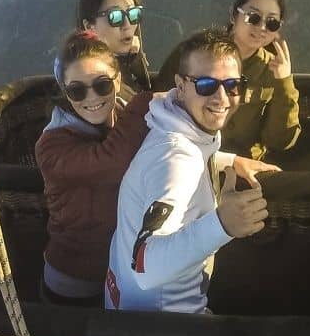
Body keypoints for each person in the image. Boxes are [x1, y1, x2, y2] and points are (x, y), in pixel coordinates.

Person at [106, 28, 280, 313]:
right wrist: (222, 224)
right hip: (164, 332)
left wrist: (228, 160)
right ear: (181, 84)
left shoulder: (174, 122)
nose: (222, 98)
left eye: (233, 84)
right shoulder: (177, 160)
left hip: (130, 305)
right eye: (206, 85)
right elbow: (145, 267)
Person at [35, 31, 152, 306]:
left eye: (101, 84)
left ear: (118, 80)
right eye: (77, 90)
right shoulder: (51, 146)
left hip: (124, 273)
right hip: (75, 285)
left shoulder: (124, 118)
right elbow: (112, 162)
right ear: (65, 92)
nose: (91, 97)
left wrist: (228, 160)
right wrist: (147, 101)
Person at [158, 0, 300, 162]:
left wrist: (283, 83)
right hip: (188, 158)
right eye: (253, 17)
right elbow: (161, 109)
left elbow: (280, 140)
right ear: (234, 15)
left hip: (245, 170)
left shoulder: (273, 69)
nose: (262, 28)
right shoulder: (195, 53)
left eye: (272, 23)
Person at [77, 0, 152, 92]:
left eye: (133, 14)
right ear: (89, 26)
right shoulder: (90, 79)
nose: (127, 25)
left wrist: (132, 62)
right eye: (115, 16)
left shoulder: (128, 58)